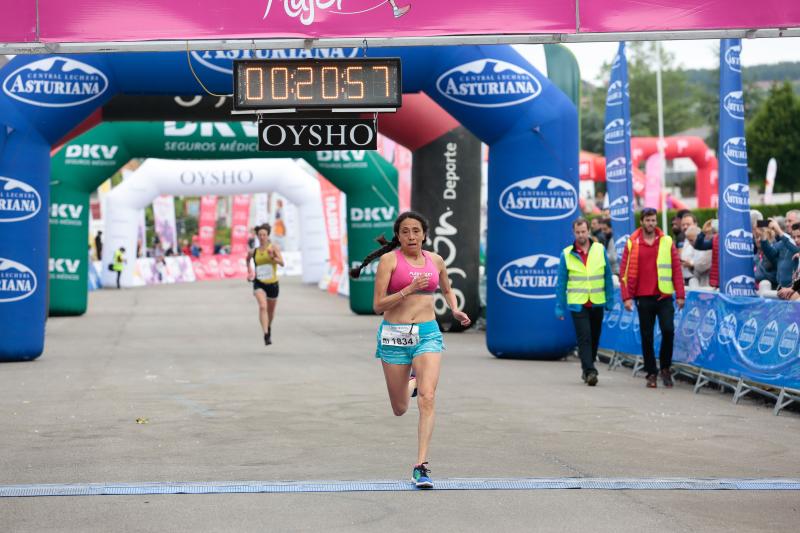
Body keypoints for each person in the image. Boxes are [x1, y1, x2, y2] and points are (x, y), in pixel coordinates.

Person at [350, 211, 470, 489]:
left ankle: (421, 466)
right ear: (399, 236)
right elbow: (378, 305)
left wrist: (454, 309)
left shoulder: (436, 261)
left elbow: (447, 288)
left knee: (427, 398)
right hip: (394, 335)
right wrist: (407, 289)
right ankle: (412, 381)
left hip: (428, 333)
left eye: (416, 230)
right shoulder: (389, 261)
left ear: (424, 234)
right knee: (400, 408)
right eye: (405, 231)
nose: (411, 236)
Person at [620, 207, 685, 389]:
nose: (651, 223)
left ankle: (665, 367)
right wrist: (627, 297)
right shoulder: (632, 243)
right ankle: (651, 372)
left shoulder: (666, 241)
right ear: (642, 221)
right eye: (647, 220)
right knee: (646, 336)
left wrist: (680, 294)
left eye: (653, 220)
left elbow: (676, 270)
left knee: (668, 331)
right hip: (643, 297)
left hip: (664, 295)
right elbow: (624, 272)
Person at [555, 218, 614, 386]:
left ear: (588, 231)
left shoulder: (599, 250)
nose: (581, 235)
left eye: (583, 231)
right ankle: (590, 371)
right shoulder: (566, 254)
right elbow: (561, 283)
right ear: (574, 233)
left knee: (594, 337)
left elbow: (607, 277)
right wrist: (559, 307)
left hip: (596, 301)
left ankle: (587, 366)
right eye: (577, 232)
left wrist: (610, 300)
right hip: (578, 303)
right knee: (584, 338)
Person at [247, 224, 284, 346]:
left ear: (268, 236)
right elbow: (247, 260)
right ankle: (266, 334)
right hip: (259, 283)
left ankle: (268, 326)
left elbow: (282, 263)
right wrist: (250, 271)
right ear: (257, 236)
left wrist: (273, 258)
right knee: (263, 306)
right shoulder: (254, 251)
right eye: (260, 235)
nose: (262, 237)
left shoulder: (273, 248)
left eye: (264, 235)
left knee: (270, 311)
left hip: (273, 284)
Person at [760, 219, 800, 291]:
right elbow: (770, 254)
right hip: (781, 287)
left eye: (790, 221)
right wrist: (764, 235)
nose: (787, 224)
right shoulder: (783, 241)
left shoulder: (785, 240)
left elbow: (796, 249)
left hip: (794, 289)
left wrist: (779, 231)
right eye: (786, 221)